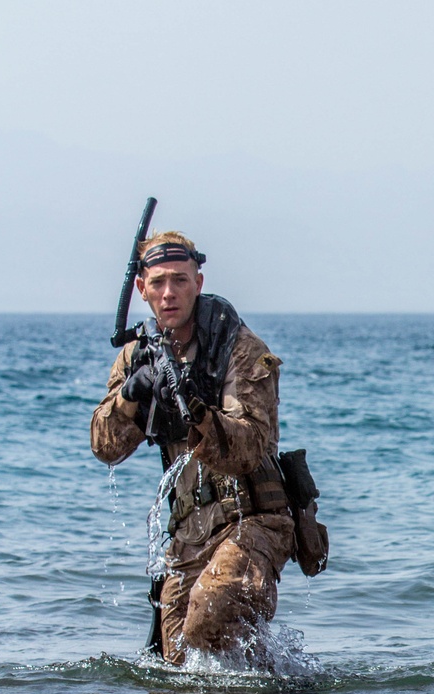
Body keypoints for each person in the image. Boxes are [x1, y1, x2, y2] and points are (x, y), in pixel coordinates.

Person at [92, 231, 295, 665]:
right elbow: (105, 446)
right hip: (189, 530)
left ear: (198, 284)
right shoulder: (137, 357)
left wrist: (196, 409)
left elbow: (250, 448)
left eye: (180, 281)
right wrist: (134, 392)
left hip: (254, 517)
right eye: (160, 282)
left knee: (207, 621)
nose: (170, 293)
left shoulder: (239, 348)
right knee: (176, 662)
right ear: (142, 289)